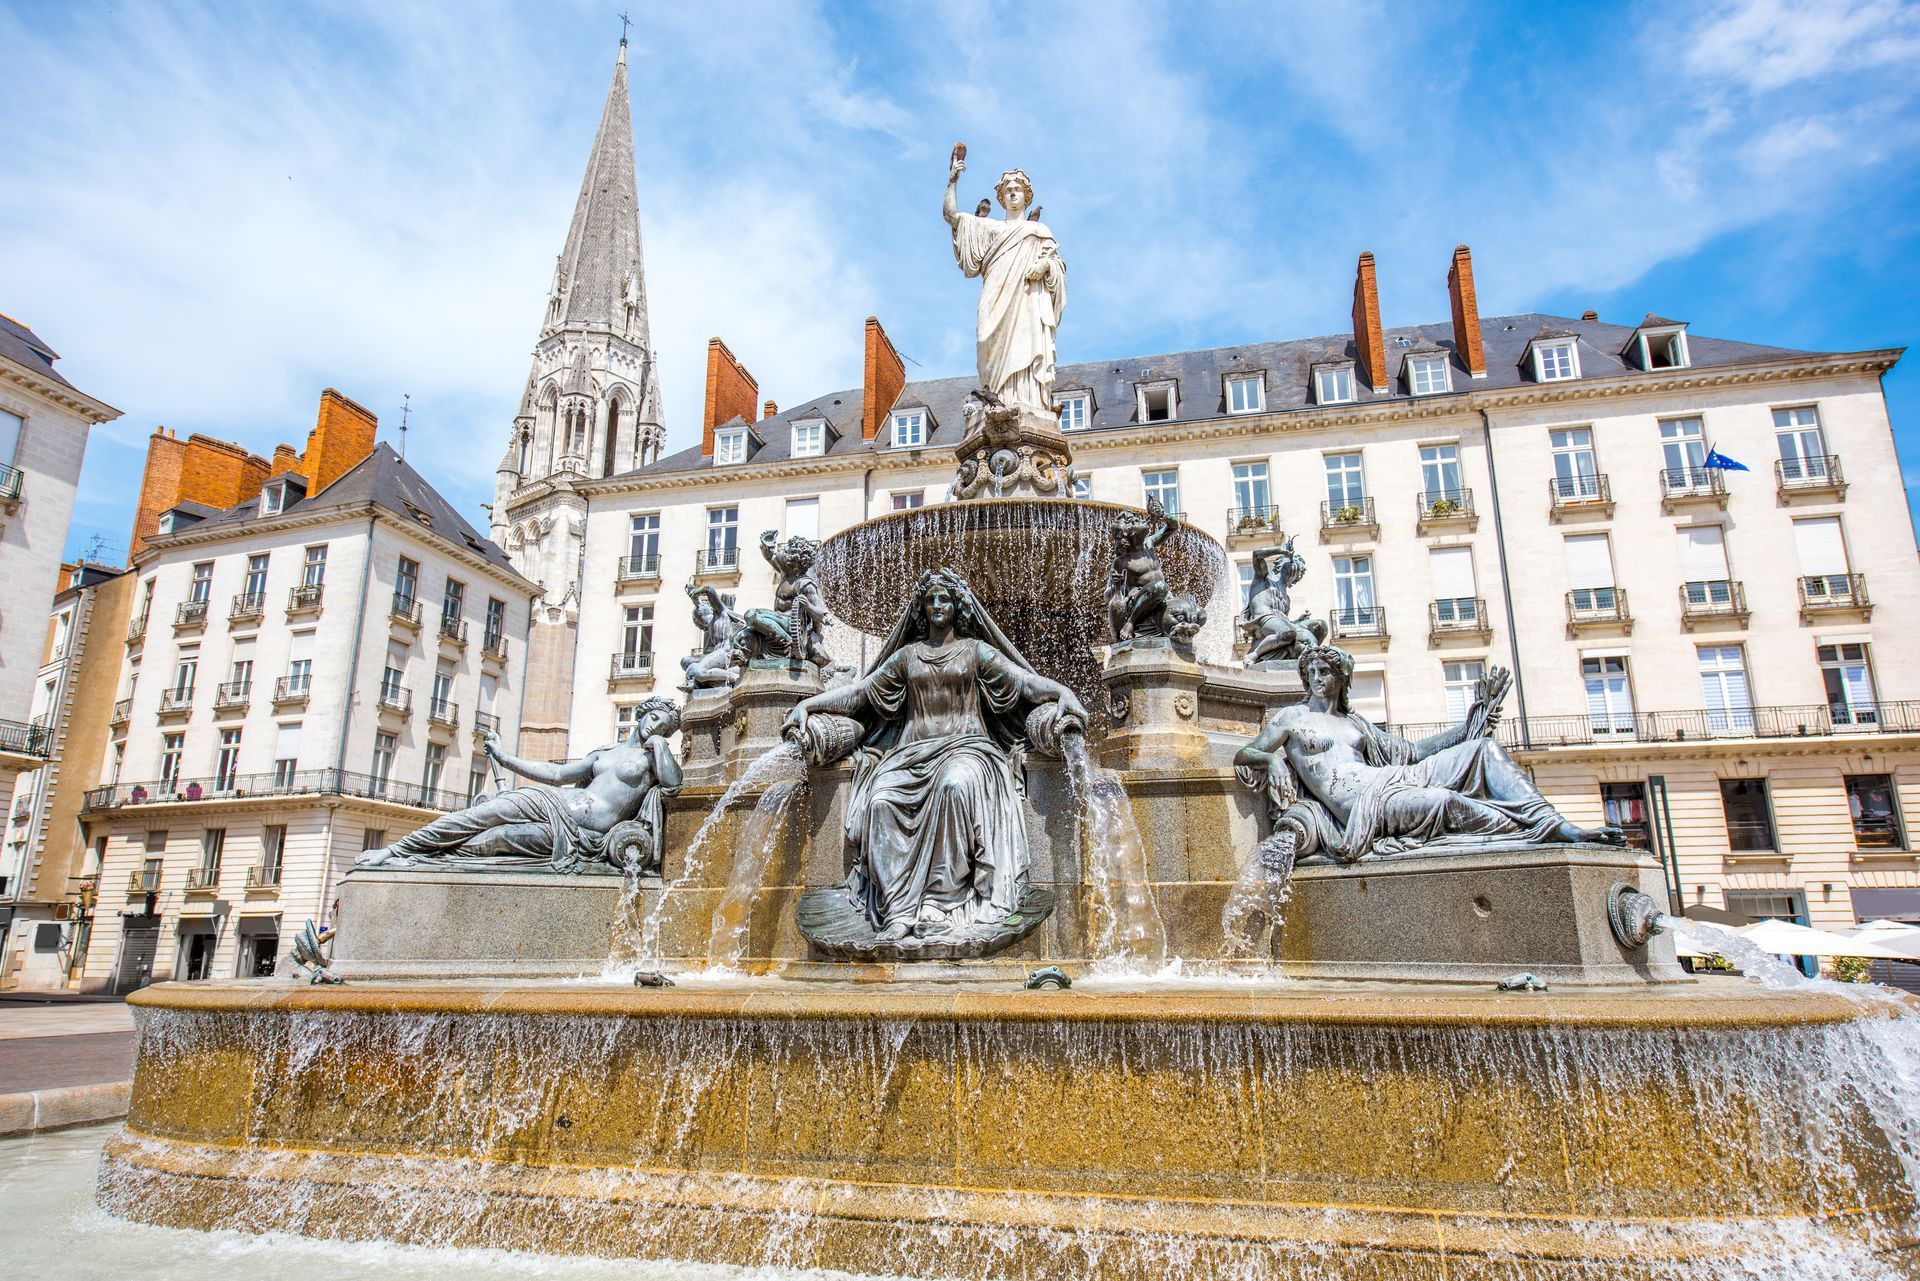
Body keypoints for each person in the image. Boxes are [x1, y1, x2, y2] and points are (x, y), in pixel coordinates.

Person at [784, 569, 1086, 941]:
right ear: (921, 608)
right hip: (910, 755)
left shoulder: (976, 651)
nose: (938, 605)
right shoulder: (907, 656)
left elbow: (1023, 682)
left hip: (968, 749)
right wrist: (810, 705)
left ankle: (939, 901)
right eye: (931, 600)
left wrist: (1062, 692)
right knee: (879, 802)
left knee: (953, 787)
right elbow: (860, 693)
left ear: (958, 606)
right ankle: (898, 910)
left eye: (944, 599)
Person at [1234, 645, 1621, 863]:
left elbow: (1415, 752)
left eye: (1325, 672)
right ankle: (1535, 833)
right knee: (1442, 801)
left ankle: (1556, 824)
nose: (1318, 679)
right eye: (1312, 672)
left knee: (1483, 749)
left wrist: (1470, 722)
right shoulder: (1293, 717)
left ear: (1341, 678)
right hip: (1364, 807)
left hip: (1394, 779)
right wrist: (1271, 759)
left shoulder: (1356, 724)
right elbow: (1245, 753)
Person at [357, 698, 683, 873]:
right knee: (483, 815)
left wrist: (660, 746)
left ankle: (428, 857)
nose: (656, 727)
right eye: (654, 718)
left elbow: (673, 785)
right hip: (554, 801)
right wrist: (504, 757)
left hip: (581, 830)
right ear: (642, 715)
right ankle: (395, 850)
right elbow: (555, 774)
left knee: (496, 838)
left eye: (664, 727)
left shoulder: (653, 758)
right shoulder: (605, 753)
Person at [943, 146, 1067, 419]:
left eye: (1018, 189)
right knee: (985, 338)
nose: (1013, 193)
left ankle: (1027, 400)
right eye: (1008, 189)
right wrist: (952, 181)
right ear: (1000, 197)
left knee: (1027, 345)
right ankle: (996, 399)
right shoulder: (991, 228)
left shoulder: (1039, 231)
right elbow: (951, 216)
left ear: (1026, 196)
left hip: (1027, 301)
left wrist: (1044, 266)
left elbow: (1058, 268)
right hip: (995, 297)